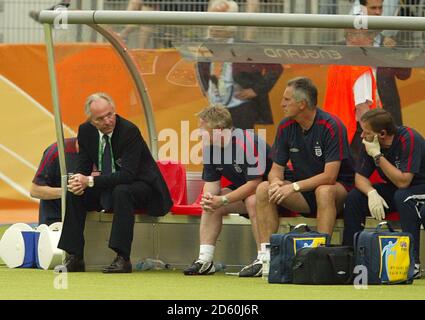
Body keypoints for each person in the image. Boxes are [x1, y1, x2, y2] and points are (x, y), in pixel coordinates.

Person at [58, 92, 172, 273]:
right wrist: (79, 180)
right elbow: (83, 165)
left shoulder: (129, 131)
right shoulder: (86, 130)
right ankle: (75, 256)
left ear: (114, 110)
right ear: (91, 120)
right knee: (75, 191)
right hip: (111, 185)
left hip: (143, 185)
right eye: (100, 119)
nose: (108, 121)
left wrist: (89, 180)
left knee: (122, 190)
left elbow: (127, 175)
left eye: (110, 115)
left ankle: (122, 258)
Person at [256, 77, 354, 268]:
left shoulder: (332, 126)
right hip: (303, 192)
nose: (282, 103)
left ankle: (320, 256)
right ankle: (266, 258)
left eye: (287, 99)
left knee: (324, 190)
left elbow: (330, 176)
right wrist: (276, 182)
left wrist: (292, 187)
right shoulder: (285, 126)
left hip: (339, 192)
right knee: (263, 189)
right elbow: (276, 169)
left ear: (302, 104)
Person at [183, 104, 273, 277]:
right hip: (245, 190)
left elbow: (255, 184)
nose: (199, 133)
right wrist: (210, 198)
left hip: (271, 192)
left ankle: (264, 259)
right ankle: (205, 260)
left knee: (252, 200)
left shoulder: (247, 142)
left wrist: (224, 200)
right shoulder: (210, 146)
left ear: (218, 129)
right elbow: (212, 183)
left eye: (202, 128)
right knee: (211, 201)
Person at [343, 109, 425, 279]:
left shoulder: (409, 138)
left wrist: (378, 156)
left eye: (366, 132)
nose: (362, 136)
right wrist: (371, 192)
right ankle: (351, 258)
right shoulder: (370, 143)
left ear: (382, 134)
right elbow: (359, 178)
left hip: (419, 187)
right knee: (354, 198)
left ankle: (412, 262)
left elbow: (404, 181)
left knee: (403, 196)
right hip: (396, 187)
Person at [196, 0, 283, 129]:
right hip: (215, 109)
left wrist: (256, 90)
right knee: (216, 145)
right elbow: (201, 70)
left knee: (241, 146)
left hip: (240, 109)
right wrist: (208, 91)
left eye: (218, 22)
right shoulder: (205, 47)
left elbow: (276, 68)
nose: (213, 27)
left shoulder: (245, 47)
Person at [324, 5, 378, 161]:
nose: (372, 38)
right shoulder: (360, 67)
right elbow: (362, 109)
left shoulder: (337, 63)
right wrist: (372, 139)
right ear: (352, 36)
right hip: (354, 135)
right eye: (368, 33)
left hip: (334, 135)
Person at [351, 0, 412, 126]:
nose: (378, 12)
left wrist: (394, 54)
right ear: (362, 9)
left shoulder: (391, 42)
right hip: (358, 114)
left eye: (380, 8)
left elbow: (405, 74)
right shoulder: (350, 42)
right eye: (373, 8)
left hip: (388, 114)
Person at [30, 138, 78, 226]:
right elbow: (35, 190)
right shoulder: (57, 150)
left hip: (90, 219)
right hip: (56, 221)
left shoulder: (104, 152)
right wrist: (67, 191)